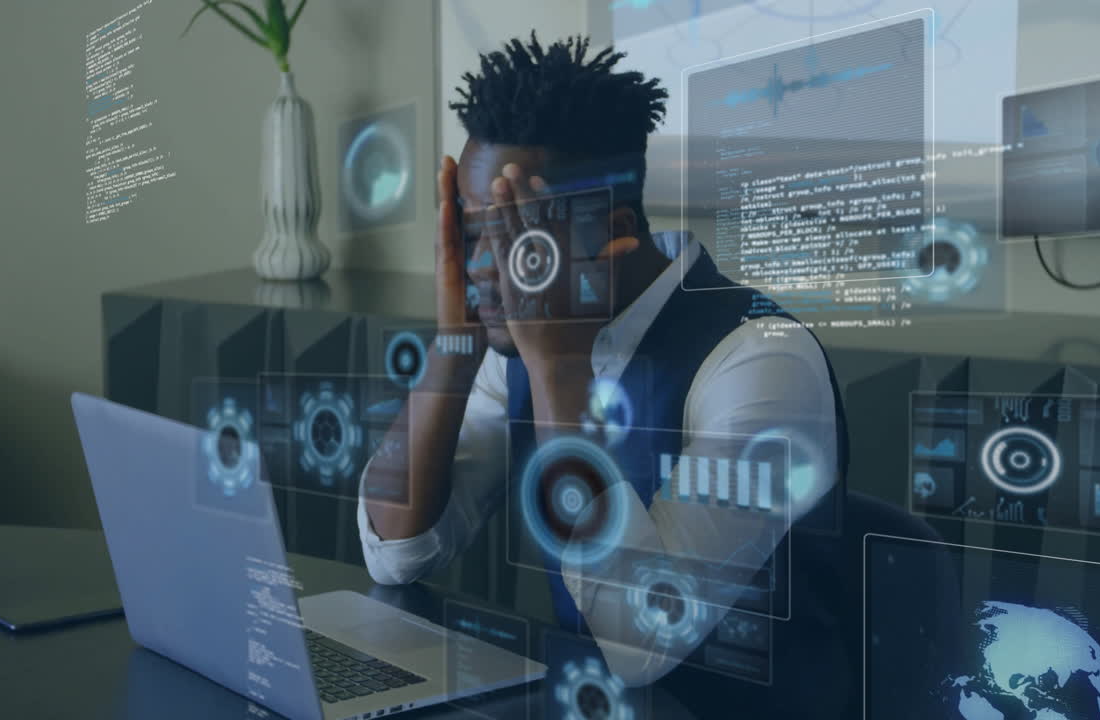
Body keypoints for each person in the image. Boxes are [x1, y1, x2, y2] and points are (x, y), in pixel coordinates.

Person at [358, 33, 846, 686]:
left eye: (515, 237)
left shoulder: (760, 363)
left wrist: (559, 372)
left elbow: (642, 642)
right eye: (471, 232)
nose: (482, 267)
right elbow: (395, 552)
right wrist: (455, 346)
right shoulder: (521, 348)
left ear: (612, 230)